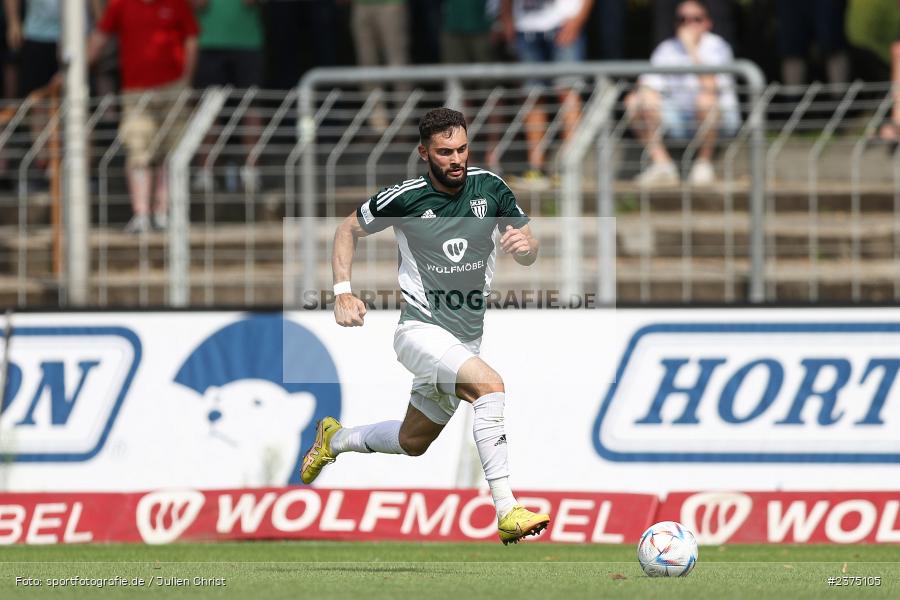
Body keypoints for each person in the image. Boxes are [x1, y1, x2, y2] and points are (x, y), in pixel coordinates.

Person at [299, 107, 551, 546]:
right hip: (419, 331)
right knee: (489, 387)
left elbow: (528, 247)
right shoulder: (405, 197)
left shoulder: (491, 189)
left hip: (466, 337)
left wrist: (525, 245)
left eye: (462, 149)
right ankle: (507, 509)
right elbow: (346, 229)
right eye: (445, 152)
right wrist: (342, 291)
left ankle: (334, 440)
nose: (456, 159)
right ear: (424, 153)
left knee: (412, 440)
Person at [89, 0, 198, 233]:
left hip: (173, 88)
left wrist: (186, 82)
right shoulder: (120, 4)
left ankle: (164, 213)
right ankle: (141, 215)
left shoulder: (178, 3)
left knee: (172, 153)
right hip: (135, 92)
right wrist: (70, 72)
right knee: (138, 152)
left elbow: (191, 39)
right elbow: (100, 37)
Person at [625, 0, 740, 186]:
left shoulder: (718, 46)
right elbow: (647, 84)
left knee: (705, 100)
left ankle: (703, 164)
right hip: (678, 119)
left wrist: (691, 49)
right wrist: (644, 94)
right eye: (682, 19)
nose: (689, 24)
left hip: (719, 121)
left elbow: (711, 87)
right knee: (635, 100)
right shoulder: (666, 49)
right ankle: (663, 166)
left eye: (696, 19)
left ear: (707, 23)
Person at [500, 0, 594, 187]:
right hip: (525, 28)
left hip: (565, 23)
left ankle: (571, 169)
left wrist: (578, 19)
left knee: (568, 93)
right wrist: (507, 20)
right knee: (531, 97)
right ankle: (536, 169)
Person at [192, 0, 264, 193]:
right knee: (207, 110)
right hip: (206, 40)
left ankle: (252, 173)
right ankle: (205, 172)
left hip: (247, 42)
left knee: (250, 107)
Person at [351, 0, 410, 133]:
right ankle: (377, 128)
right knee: (366, 67)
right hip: (361, 5)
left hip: (390, 4)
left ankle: (405, 128)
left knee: (397, 64)